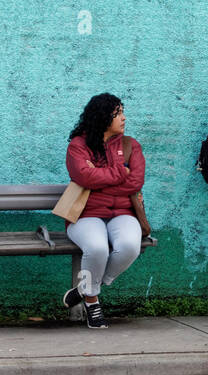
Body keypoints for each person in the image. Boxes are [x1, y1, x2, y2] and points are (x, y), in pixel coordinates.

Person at [63, 93, 146, 328]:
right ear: (102, 117)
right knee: (97, 248)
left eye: (122, 112)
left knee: (130, 246)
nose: (123, 117)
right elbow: (84, 176)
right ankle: (92, 301)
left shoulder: (131, 145)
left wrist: (100, 180)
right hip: (85, 215)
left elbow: (136, 182)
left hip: (123, 213)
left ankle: (87, 287)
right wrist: (120, 172)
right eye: (117, 113)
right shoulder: (78, 146)